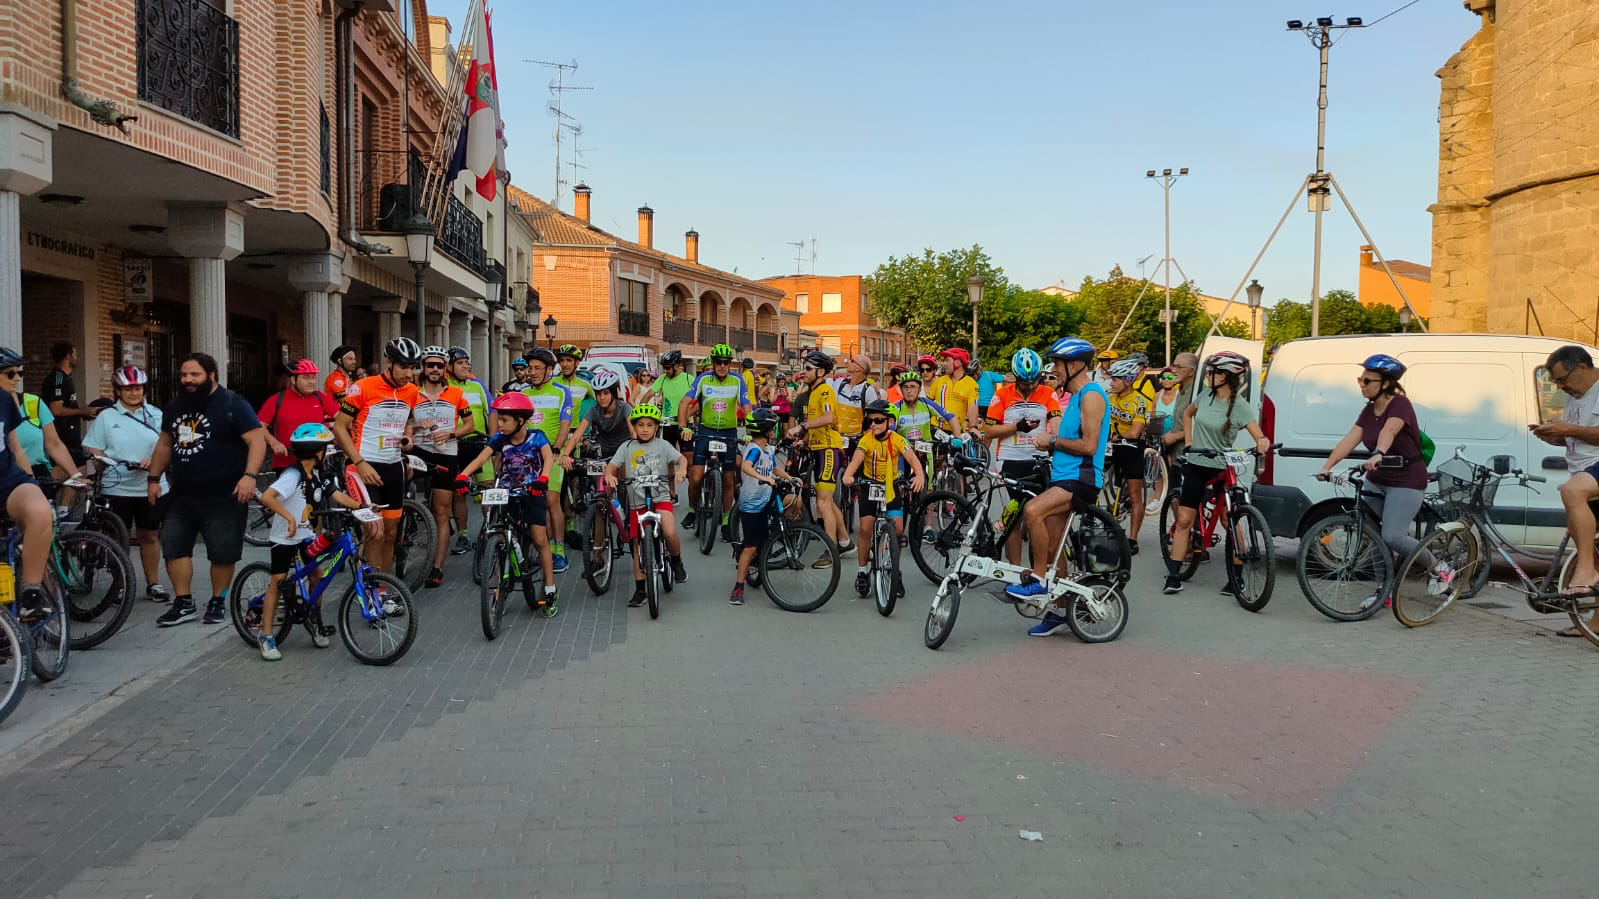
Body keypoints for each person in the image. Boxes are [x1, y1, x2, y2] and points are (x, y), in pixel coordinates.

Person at [1317, 353, 1448, 608]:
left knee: (1393, 535)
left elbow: (1390, 430)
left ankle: (1439, 568)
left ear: (1386, 383)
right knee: (1374, 535)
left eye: (1367, 380)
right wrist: (1327, 467)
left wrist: (1378, 452)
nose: (1362, 384)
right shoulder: (1368, 410)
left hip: (1407, 480)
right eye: (1360, 379)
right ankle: (1383, 590)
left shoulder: (1400, 404)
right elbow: (1350, 439)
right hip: (1377, 479)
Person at [146, 352, 268, 626]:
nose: (187, 380)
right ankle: (183, 603)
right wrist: (153, 479)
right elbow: (164, 444)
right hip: (182, 494)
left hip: (224, 494)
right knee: (174, 546)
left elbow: (257, 441)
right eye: (183, 375)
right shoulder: (176, 405)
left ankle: (217, 601)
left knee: (223, 552)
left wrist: (250, 476)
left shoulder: (232, 403)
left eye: (194, 375)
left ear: (211, 375)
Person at [1007, 338, 1109, 637]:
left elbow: (1089, 446)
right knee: (1053, 548)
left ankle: (1039, 579)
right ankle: (1061, 611)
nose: (1053, 369)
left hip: (1081, 478)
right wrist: (1051, 446)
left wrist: (1052, 441)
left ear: (1075, 364)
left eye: (1057, 364)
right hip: (1064, 476)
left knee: (1032, 510)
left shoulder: (1092, 396)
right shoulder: (1075, 397)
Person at [252, 423, 370, 660]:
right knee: (278, 581)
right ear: (316, 451)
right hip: (285, 538)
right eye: (325, 448)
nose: (327, 454)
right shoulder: (292, 475)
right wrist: (288, 518)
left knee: (316, 574)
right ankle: (266, 635)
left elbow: (337, 495)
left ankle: (315, 621)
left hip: (306, 535)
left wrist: (362, 507)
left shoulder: (317, 475)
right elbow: (268, 497)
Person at [1163, 351, 1271, 597]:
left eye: (1212, 372)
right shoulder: (1205, 396)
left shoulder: (1240, 406)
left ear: (1225, 376)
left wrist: (1263, 441)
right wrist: (1189, 441)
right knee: (1184, 520)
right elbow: (1188, 414)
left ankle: (1237, 577)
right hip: (1196, 463)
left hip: (1222, 466)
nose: (1208, 376)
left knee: (1229, 519)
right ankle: (1174, 576)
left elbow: (1258, 433)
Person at [458, 392, 559, 616]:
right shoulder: (499, 439)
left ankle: (550, 589)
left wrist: (543, 479)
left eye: (504, 420)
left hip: (532, 491)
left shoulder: (537, 437)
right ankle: (498, 589)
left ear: (520, 420)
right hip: (506, 492)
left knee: (540, 539)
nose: (500, 424)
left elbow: (548, 457)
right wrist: (463, 475)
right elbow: (481, 458)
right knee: (500, 536)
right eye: (499, 419)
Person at [332, 337, 422, 582]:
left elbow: (407, 423)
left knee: (391, 534)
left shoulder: (412, 392)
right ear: (389, 363)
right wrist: (359, 463)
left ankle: (383, 587)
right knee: (375, 532)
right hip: (363, 468)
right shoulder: (364, 387)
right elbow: (339, 427)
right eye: (403, 367)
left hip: (393, 468)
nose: (409, 374)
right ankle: (373, 592)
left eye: (413, 368)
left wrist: (407, 437)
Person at [82, 365, 169, 604]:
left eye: (138, 388)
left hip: (149, 485)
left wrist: (153, 461)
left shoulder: (156, 414)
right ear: (118, 391)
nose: (133, 393)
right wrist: (101, 459)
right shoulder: (106, 417)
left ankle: (153, 584)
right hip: (116, 486)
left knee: (150, 535)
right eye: (128, 389)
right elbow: (93, 446)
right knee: (117, 537)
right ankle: (119, 585)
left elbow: (167, 446)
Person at [1532, 346, 1599, 636]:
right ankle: (1595, 623)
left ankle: (1584, 570)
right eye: (1556, 382)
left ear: (1581, 367)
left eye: (1562, 379)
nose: (1561, 387)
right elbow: (1582, 435)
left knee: (1571, 491)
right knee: (1591, 545)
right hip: (1584, 468)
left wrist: (1568, 431)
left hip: (1594, 468)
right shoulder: (1576, 395)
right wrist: (1556, 437)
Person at [604, 402, 688, 607]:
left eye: (650, 425)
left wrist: (681, 469)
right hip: (637, 501)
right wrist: (610, 475)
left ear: (656, 427)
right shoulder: (627, 447)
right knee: (636, 543)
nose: (645, 429)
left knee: (669, 532)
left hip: (660, 498)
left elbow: (681, 459)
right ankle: (640, 589)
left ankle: (676, 561)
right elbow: (612, 466)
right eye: (640, 425)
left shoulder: (662, 445)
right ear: (633, 426)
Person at [983, 349, 1061, 564]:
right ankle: (1015, 571)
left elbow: (1056, 424)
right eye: (1025, 382)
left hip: (1039, 461)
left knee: (1040, 517)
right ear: (1016, 377)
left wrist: (1058, 438)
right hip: (1009, 461)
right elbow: (988, 431)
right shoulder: (1002, 395)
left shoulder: (1048, 394)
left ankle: (1039, 571)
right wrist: (1016, 427)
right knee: (1013, 520)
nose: (1031, 385)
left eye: (1035, 380)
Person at [841, 400, 925, 598]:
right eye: (870, 421)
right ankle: (862, 572)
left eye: (878, 420)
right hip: (869, 486)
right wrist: (848, 475)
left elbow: (912, 458)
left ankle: (894, 570)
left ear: (890, 422)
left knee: (898, 530)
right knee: (865, 529)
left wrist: (919, 475)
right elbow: (857, 459)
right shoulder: (866, 440)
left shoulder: (897, 439)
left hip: (890, 487)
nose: (873, 424)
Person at [411, 346, 472, 587]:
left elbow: (470, 424)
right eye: (430, 365)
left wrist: (451, 434)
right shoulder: (412, 394)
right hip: (418, 451)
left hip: (446, 453)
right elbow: (403, 426)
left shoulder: (457, 394)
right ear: (423, 368)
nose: (435, 369)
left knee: (442, 511)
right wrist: (417, 426)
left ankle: (437, 567)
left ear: (445, 368)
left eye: (439, 365)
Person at [678, 344, 749, 543]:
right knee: (696, 477)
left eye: (726, 362)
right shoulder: (703, 379)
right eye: (719, 362)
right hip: (706, 432)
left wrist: (750, 432)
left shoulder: (737, 380)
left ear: (730, 364)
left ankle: (726, 522)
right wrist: (683, 427)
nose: (723, 366)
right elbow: (684, 403)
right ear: (713, 362)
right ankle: (693, 510)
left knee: (728, 479)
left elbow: (746, 406)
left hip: (728, 433)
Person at [787, 351, 849, 563]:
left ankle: (831, 551)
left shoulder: (824, 391)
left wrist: (801, 427)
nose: (803, 372)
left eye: (808, 369)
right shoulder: (813, 392)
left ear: (821, 372)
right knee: (827, 501)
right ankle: (845, 542)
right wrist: (804, 440)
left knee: (822, 503)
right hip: (818, 448)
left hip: (828, 449)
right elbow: (818, 423)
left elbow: (829, 417)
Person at [517, 348, 575, 572]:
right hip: (528, 454)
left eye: (537, 368)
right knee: (534, 501)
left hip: (553, 453)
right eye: (529, 368)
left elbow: (565, 424)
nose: (531, 372)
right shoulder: (523, 392)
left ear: (549, 369)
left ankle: (559, 549)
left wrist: (557, 448)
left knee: (551, 500)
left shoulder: (561, 392)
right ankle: (546, 545)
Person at [731, 408, 789, 605]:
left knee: (793, 502)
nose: (774, 432)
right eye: (772, 429)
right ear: (766, 431)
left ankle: (777, 537)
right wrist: (763, 477)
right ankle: (738, 587)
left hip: (765, 499)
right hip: (752, 504)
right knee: (750, 547)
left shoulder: (767, 449)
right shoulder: (754, 449)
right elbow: (746, 466)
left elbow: (775, 468)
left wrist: (790, 477)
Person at [448, 347, 493, 555]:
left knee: (487, 489)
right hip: (455, 446)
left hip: (479, 445)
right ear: (449, 367)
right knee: (459, 493)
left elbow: (492, 411)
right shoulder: (445, 387)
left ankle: (489, 529)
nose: (466, 366)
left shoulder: (478, 385)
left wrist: (494, 441)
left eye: (467, 362)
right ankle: (463, 534)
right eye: (460, 363)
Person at [259, 360, 338, 473]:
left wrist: (337, 435)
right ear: (293, 380)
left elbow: (343, 418)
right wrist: (273, 442)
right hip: (286, 462)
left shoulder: (320, 397)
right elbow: (259, 426)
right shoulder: (276, 400)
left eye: (313, 377)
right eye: (306, 378)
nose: (311, 382)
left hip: (317, 462)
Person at [1105, 358, 1152, 548]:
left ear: (1128, 380)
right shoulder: (1108, 397)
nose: (1111, 383)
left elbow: (1135, 432)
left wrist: (1118, 436)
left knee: (1134, 494)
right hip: (1111, 445)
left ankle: (1133, 539)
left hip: (1131, 446)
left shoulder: (1139, 401)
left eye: (1115, 379)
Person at [9, 364, 81, 486]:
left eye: (20, 373)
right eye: (10, 374)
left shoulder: (32, 402)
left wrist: (76, 476)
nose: (17, 378)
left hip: (36, 473)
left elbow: (54, 444)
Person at [41, 342, 96, 472]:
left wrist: (82, 413)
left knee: (79, 470)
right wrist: (81, 411)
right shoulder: (58, 378)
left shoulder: (66, 378)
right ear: (68, 356)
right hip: (62, 436)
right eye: (75, 354)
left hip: (71, 436)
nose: (77, 357)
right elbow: (56, 409)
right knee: (72, 473)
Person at [834, 354, 883, 453]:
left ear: (859, 368)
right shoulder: (839, 383)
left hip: (855, 440)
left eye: (852, 361)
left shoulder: (868, 390)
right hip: (835, 438)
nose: (848, 362)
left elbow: (874, 416)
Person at [929, 348, 980, 434]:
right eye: (944, 361)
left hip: (956, 432)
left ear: (958, 363)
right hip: (935, 429)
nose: (943, 363)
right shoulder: (939, 381)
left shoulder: (972, 384)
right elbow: (927, 403)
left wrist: (973, 427)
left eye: (947, 360)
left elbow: (972, 407)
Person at [656, 350, 695, 462]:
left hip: (686, 423)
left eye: (667, 368)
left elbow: (697, 400)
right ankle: (671, 474)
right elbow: (648, 395)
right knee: (669, 457)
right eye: (664, 368)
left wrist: (689, 413)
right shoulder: (662, 378)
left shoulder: (689, 378)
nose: (665, 371)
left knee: (688, 455)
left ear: (677, 366)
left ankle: (687, 472)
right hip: (668, 423)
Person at [1160, 352, 1200, 458]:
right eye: (1174, 366)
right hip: (1177, 456)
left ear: (1192, 371)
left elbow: (1201, 427)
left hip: (1191, 457)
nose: (1174, 370)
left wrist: (1176, 436)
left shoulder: (1198, 394)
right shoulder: (1181, 391)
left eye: (1179, 367)